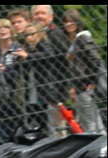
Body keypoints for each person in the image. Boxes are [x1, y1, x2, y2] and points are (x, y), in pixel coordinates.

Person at [12, 21, 63, 140]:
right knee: (38, 118)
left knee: (49, 119)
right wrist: (18, 60)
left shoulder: (44, 44)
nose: (29, 38)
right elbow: (22, 68)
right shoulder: (28, 48)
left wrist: (28, 56)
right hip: (32, 90)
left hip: (45, 89)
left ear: (39, 34)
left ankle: (53, 140)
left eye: (32, 34)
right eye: (27, 35)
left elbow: (49, 54)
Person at [62, 9, 106, 134]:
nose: (68, 25)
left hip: (85, 84)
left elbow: (95, 60)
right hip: (80, 85)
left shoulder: (83, 37)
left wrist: (91, 80)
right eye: (66, 22)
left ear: (77, 22)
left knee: (89, 124)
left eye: (72, 22)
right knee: (95, 120)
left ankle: (95, 149)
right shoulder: (73, 41)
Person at [31, 5, 71, 137]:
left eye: (43, 13)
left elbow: (65, 61)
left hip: (55, 86)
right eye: (36, 14)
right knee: (49, 125)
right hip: (41, 87)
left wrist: (66, 85)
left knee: (59, 125)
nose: (39, 16)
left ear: (51, 17)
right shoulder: (33, 36)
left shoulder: (56, 34)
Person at [0, 18, 24, 144]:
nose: (2, 30)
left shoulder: (18, 49)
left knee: (18, 132)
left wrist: (7, 70)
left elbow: (22, 70)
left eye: (5, 27)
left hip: (17, 97)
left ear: (11, 31)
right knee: (2, 134)